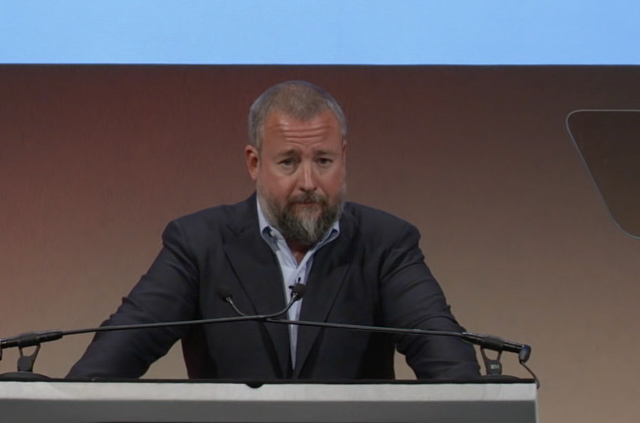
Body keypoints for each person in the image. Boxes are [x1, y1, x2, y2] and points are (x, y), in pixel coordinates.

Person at [67, 80, 480, 381]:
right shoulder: (199, 245)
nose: (308, 182)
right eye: (288, 162)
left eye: (323, 161)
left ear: (344, 157)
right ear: (253, 163)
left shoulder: (385, 245)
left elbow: (451, 368)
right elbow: (106, 366)